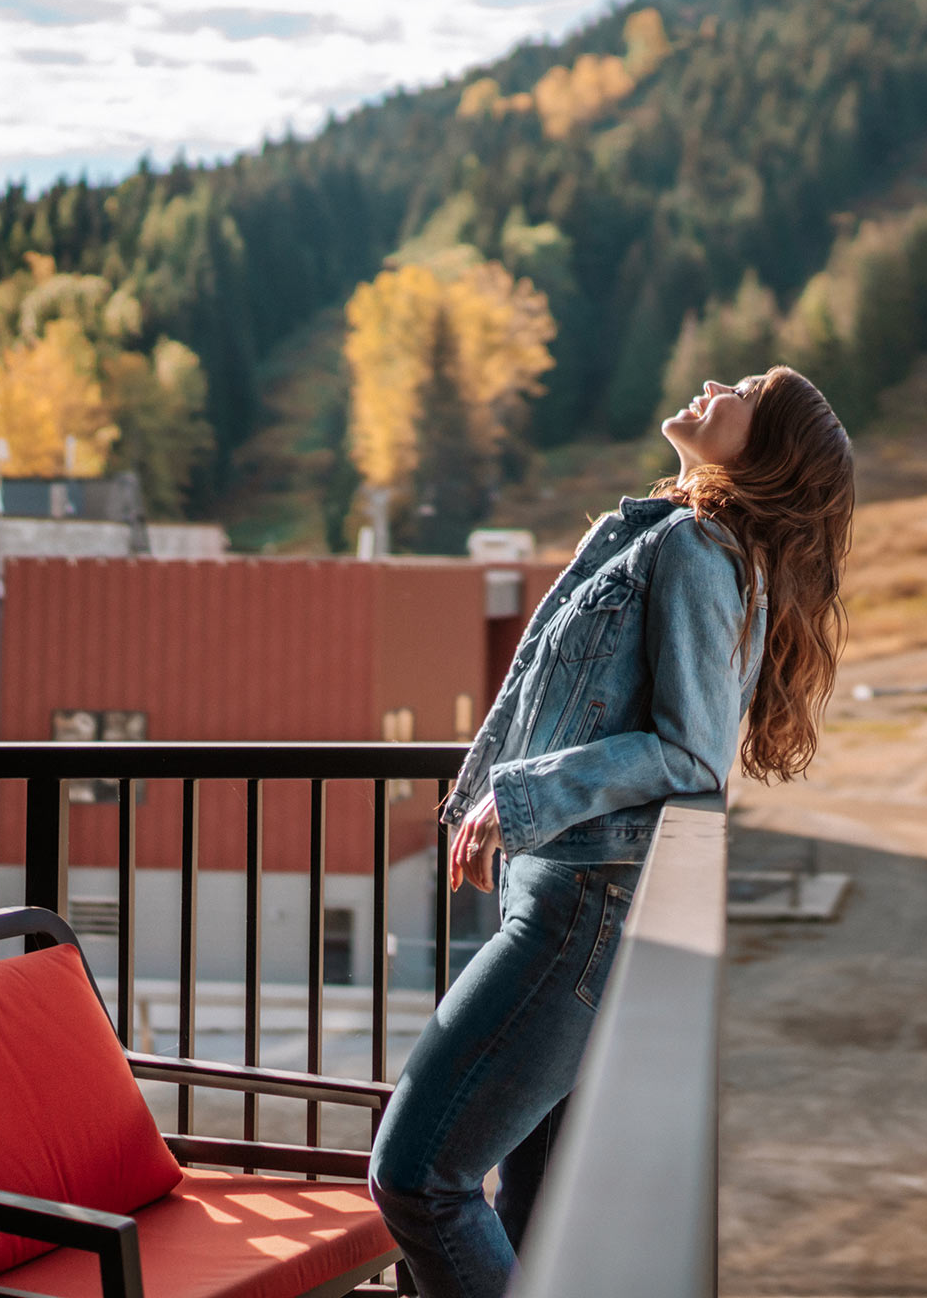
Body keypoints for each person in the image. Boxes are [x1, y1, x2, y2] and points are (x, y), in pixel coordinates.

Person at [368, 365, 854, 1298]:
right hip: (565, 893)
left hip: (579, 907)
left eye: (746, 388)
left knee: (418, 1178)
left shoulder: (700, 551)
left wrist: (517, 795)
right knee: (533, 1209)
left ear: (768, 448)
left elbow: (694, 751)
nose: (715, 382)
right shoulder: (669, 535)